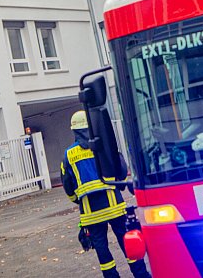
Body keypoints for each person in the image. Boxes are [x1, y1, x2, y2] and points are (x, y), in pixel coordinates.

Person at [61, 111, 150, 278]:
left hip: (90, 213)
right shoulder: (105, 146)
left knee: (102, 250)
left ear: (74, 130)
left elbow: (68, 186)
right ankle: (141, 274)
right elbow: (122, 171)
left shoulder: (68, 155)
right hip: (115, 207)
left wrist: (79, 201)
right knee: (127, 243)